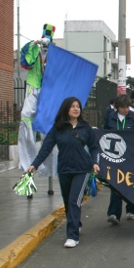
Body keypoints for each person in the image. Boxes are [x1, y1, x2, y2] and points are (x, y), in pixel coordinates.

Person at [27, 97, 99, 248]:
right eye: (72, 106)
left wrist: (95, 163)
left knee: (74, 200)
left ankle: (72, 236)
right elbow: (46, 148)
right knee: (68, 201)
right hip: (64, 170)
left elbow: (94, 147)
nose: (76, 109)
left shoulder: (86, 128)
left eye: (78, 106)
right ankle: (76, 223)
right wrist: (34, 165)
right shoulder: (58, 128)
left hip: (82, 169)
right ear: (66, 109)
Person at [18, 24, 57, 177]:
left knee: (48, 125)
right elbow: (27, 62)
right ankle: (28, 159)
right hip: (34, 85)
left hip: (48, 89)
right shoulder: (34, 48)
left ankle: (48, 168)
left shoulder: (55, 52)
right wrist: (34, 45)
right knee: (25, 115)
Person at [105, 94, 134, 224]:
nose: (126, 110)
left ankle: (131, 210)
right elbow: (104, 134)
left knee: (130, 183)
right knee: (115, 184)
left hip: (131, 156)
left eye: (128, 107)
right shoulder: (110, 118)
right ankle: (113, 213)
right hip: (115, 156)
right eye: (123, 108)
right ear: (117, 107)